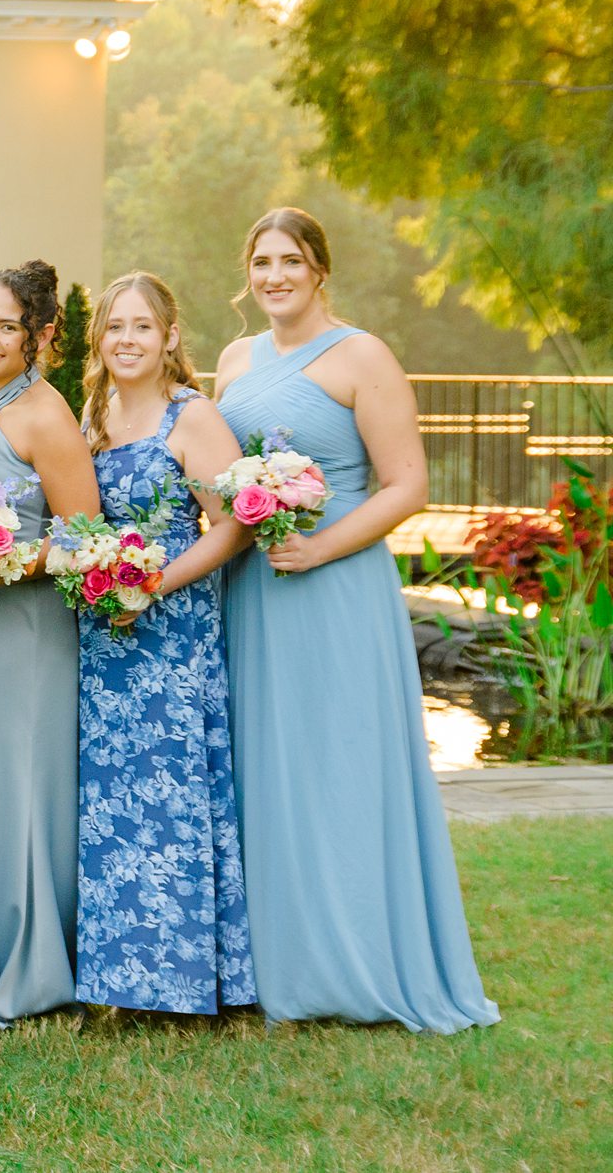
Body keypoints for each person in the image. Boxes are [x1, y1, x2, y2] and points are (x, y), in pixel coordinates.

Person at [213, 208, 497, 1032]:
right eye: (261, 260)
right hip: (255, 588)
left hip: (334, 588)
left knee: (340, 762)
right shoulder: (234, 359)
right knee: (267, 764)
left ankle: (361, 959)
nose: (274, 276)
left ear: (320, 271)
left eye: (291, 261)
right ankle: (275, 961)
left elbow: (407, 485)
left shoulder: (363, 355)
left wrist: (320, 546)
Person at [75, 272, 255, 1016]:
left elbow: (234, 526)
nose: (126, 338)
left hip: (171, 632)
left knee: (173, 793)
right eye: (115, 326)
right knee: (110, 799)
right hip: (101, 634)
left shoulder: (193, 416)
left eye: (141, 326)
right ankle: (118, 977)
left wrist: (154, 585)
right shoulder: (96, 413)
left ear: (170, 336)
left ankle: (182, 978)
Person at [0, 261, 99, 1021]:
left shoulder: (46, 413)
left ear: (38, 335)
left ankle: (37, 962)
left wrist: (2, 566)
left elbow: (84, 539)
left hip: (29, 624)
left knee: (25, 785)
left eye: (5, 324)